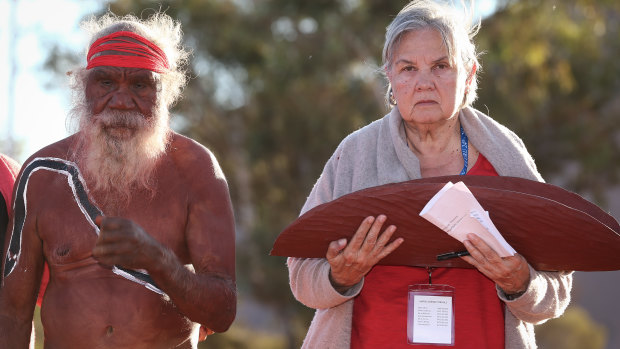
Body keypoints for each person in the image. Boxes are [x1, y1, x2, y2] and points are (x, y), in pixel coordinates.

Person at [287, 1, 572, 348]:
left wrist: (521, 281)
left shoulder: (506, 155)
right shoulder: (355, 154)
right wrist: (339, 277)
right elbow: (301, 271)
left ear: (469, 74)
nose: (424, 83)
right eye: (408, 68)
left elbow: (556, 287)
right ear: (390, 75)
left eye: (440, 66)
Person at [0, 12, 236, 348]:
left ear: (165, 93)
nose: (122, 101)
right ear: (84, 88)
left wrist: (158, 259)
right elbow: (12, 313)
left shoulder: (197, 171)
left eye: (140, 84)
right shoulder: (43, 175)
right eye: (107, 82)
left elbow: (223, 313)